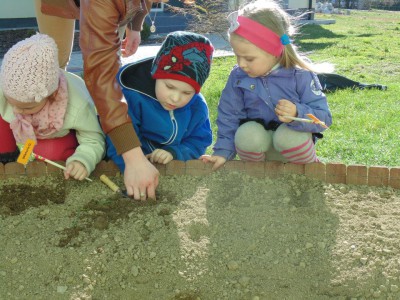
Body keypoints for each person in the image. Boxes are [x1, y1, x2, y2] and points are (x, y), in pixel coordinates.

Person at [34, 0, 191, 199]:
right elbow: (100, 71)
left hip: (110, 5)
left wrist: (135, 26)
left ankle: (99, 139)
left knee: (112, 74)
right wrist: (134, 159)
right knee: (55, 65)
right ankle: (73, 137)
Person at [201, 0, 332, 171]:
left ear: (274, 50)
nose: (241, 64)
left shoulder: (300, 74)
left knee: (289, 136)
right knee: (247, 134)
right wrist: (223, 151)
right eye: (237, 56)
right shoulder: (238, 76)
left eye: (248, 58)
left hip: (291, 151)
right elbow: (229, 115)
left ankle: (304, 175)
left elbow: (324, 120)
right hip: (258, 150)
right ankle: (259, 180)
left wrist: (297, 112)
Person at [107, 31, 214, 187]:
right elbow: (117, 138)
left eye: (187, 92)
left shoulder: (197, 106)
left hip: (172, 169)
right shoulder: (132, 97)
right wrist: (134, 168)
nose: (175, 98)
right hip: (133, 163)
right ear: (156, 74)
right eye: (170, 87)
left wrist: (174, 152)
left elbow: (199, 141)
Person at [0, 33, 105, 180]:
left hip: (54, 136)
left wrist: (82, 159)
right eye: (10, 102)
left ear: (50, 96)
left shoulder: (76, 105)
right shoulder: (8, 85)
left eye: (27, 108)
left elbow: (93, 138)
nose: (17, 111)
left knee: (51, 153)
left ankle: (32, 155)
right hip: (25, 137)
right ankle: (12, 156)